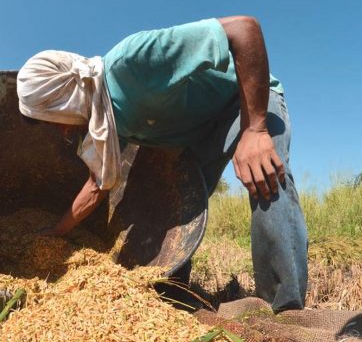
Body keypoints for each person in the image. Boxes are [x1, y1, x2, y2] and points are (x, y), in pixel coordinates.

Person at [16, 16, 308, 313]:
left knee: (264, 174)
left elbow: (244, 29)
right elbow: (97, 184)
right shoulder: (105, 121)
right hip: (198, 132)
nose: (60, 131)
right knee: (174, 203)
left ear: (61, 98)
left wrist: (254, 129)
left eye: (50, 120)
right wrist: (57, 231)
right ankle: (171, 292)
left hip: (242, 103)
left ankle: (284, 309)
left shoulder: (131, 62)